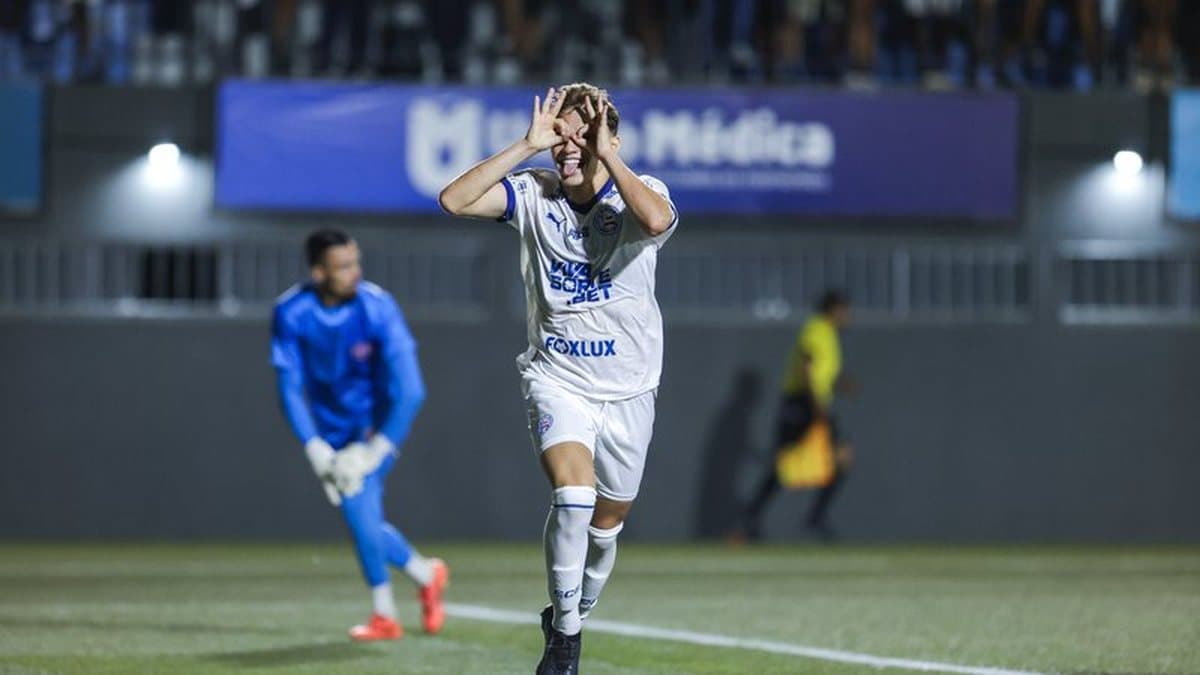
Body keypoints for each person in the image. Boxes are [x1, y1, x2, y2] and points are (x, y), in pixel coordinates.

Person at [438, 82, 677, 675]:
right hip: (559, 379)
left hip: (628, 388)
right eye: (561, 135)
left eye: (583, 133)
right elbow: (454, 200)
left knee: (608, 523)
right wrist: (526, 145)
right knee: (574, 496)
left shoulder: (640, 192)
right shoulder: (534, 194)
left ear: (610, 139)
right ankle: (566, 639)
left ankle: (572, 611)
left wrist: (608, 154)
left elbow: (654, 221)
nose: (569, 146)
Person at [271, 229, 449, 642]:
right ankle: (426, 574)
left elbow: (411, 390)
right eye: (342, 266)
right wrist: (314, 446)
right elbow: (288, 386)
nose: (355, 273)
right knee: (363, 516)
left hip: (375, 428)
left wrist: (375, 449)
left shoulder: (378, 307)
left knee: (356, 507)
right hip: (329, 434)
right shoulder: (291, 312)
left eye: (356, 262)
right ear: (318, 272)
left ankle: (385, 613)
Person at [740, 289, 855, 542]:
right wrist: (816, 407)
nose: (848, 316)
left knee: (839, 458)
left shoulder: (829, 335)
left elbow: (823, 373)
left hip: (814, 403)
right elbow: (806, 367)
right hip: (803, 403)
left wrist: (841, 384)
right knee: (785, 464)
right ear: (834, 309)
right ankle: (753, 516)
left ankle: (810, 515)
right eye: (845, 310)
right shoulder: (817, 329)